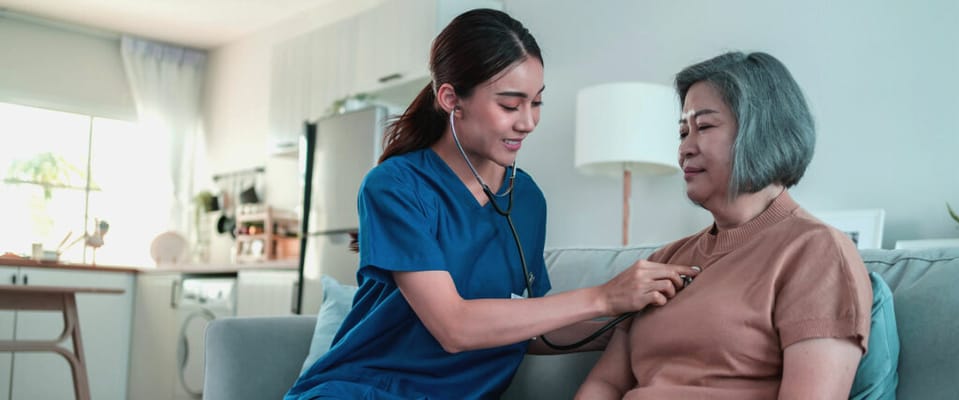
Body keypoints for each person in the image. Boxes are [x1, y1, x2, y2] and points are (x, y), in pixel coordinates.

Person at [284, 9, 699, 400]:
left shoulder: (528, 199)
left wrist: (627, 327)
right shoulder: (395, 186)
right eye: (509, 104)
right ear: (451, 99)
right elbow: (454, 327)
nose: (528, 122)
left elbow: (533, 330)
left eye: (536, 102)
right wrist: (605, 297)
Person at [576, 51, 873, 399]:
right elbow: (606, 384)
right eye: (683, 131)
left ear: (761, 131)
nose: (684, 148)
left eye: (703, 127)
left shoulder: (816, 251)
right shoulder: (665, 259)